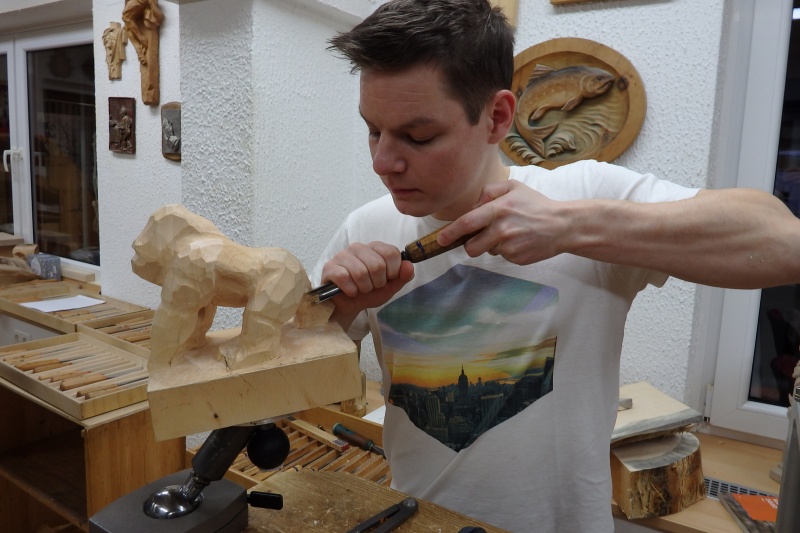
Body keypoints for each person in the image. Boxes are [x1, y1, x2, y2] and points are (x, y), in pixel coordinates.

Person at [313, 1, 800, 531]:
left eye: (419, 136)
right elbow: (302, 389)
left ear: (498, 117)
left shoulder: (583, 194)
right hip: (419, 521)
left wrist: (572, 227)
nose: (383, 162)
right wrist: (338, 316)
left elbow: (784, 244)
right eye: (373, 131)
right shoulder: (365, 228)